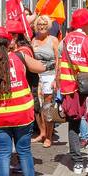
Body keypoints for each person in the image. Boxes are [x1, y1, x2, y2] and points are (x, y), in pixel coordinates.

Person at [0, 23, 45, 176]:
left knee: (3, 154)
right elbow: (41, 68)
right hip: (22, 114)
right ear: (9, 42)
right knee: (24, 151)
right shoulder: (20, 56)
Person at [56, 8, 88, 176]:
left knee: (73, 123)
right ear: (86, 24)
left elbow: (59, 65)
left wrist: (58, 86)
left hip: (69, 89)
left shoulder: (64, 40)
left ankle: (77, 163)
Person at [29, 15, 60, 148]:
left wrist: (56, 79)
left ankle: (48, 136)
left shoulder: (53, 40)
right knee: (37, 106)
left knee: (47, 107)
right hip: (36, 77)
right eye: (39, 24)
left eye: (44, 24)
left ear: (48, 26)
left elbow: (58, 59)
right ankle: (41, 132)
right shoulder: (33, 40)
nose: (41, 26)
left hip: (49, 75)